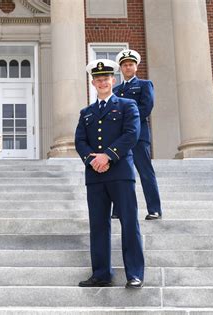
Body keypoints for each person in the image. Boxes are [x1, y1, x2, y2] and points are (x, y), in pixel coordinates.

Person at [75, 59, 144, 288]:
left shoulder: (127, 106)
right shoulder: (86, 112)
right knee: (98, 226)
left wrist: (108, 156)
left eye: (106, 78)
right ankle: (101, 274)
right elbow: (80, 141)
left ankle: (134, 274)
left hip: (120, 173)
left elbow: (131, 134)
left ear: (113, 81)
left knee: (129, 222)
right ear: (93, 83)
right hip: (95, 176)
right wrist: (92, 160)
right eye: (98, 79)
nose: (102, 82)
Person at [113, 49, 162, 220]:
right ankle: (118, 210)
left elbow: (146, 108)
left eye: (130, 64)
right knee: (119, 173)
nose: (128, 67)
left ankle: (154, 209)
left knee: (145, 172)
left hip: (138, 135)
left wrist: (127, 122)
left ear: (136, 67)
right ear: (121, 68)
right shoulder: (116, 90)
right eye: (125, 65)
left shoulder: (144, 85)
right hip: (120, 139)